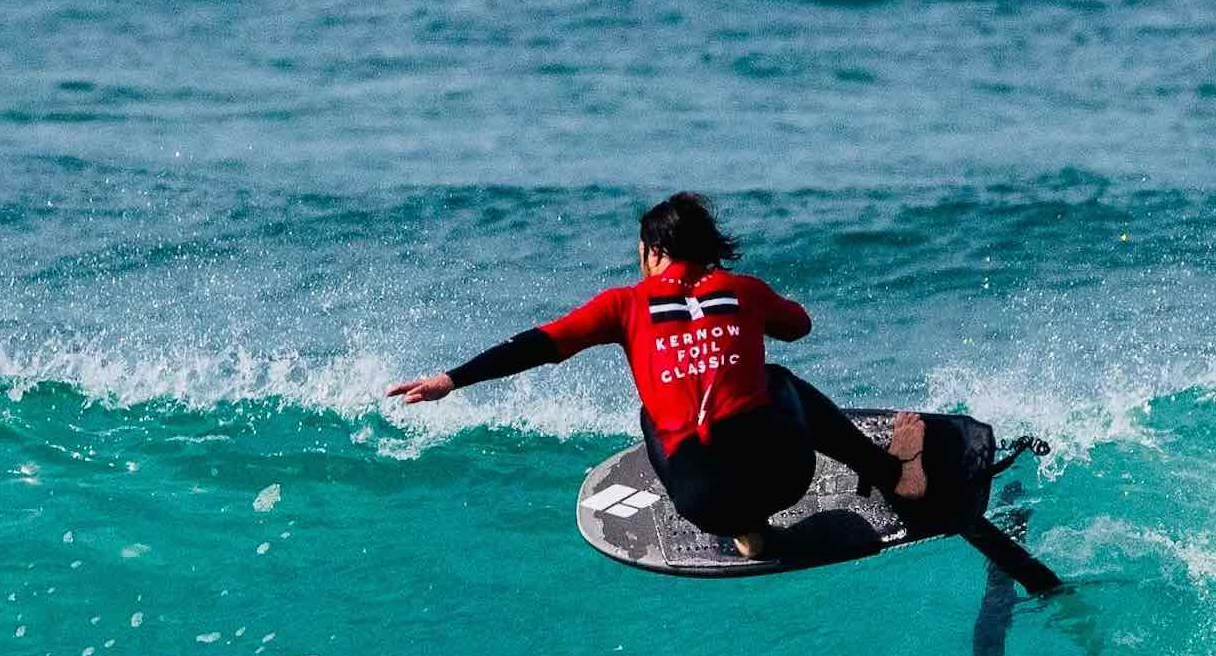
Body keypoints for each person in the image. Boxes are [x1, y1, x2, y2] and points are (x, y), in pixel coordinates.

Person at [385, 192, 926, 558]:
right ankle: (894, 473)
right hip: (785, 473)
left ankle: (747, 532)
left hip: (704, 504)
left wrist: (450, 380)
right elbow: (799, 326)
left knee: (656, 414)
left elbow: (538, 346)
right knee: (777, 378)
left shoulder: (624, 305)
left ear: (654, 251)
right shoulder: (742, 289)